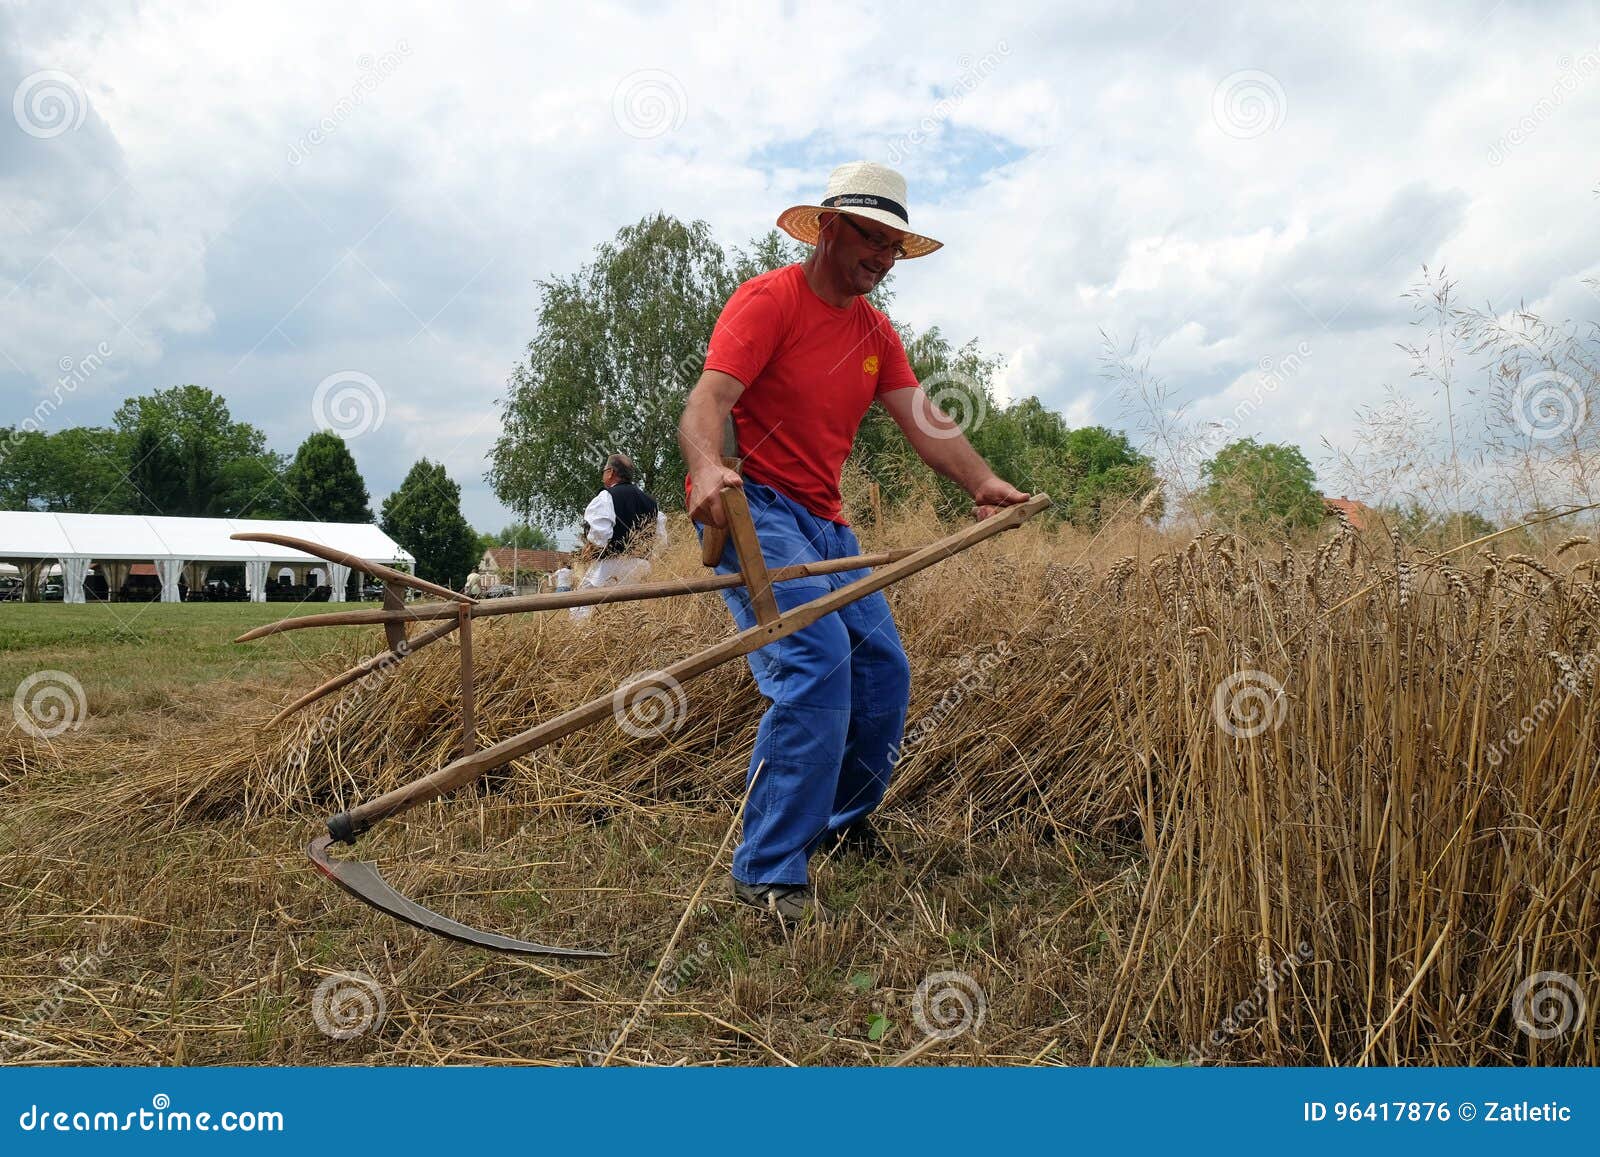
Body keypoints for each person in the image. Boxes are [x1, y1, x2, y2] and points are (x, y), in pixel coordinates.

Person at [678, 161, 1027, 921]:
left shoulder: (875, 331)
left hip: (825, 521)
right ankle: (767, 869)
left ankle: (837, 822)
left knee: (882, 672)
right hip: (754, 507)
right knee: (816, 659)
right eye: (871, 238)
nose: (881, 257)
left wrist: (982, 482)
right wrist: (706, 466)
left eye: (894, 247)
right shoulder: (769, 301)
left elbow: (921, 415)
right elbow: (709, 397)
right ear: (828, 228)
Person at [570, 452, 668, 622]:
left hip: (610, 565)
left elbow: (600, 535)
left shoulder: (607, 496)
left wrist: (589, 549)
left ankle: (585, 640)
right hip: (640, 566)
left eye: (604, 470)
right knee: (629, 612)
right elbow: (661, 540)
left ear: (611, 473)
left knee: (581, 607)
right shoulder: (651, 503)